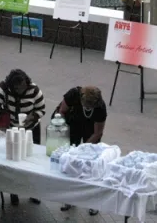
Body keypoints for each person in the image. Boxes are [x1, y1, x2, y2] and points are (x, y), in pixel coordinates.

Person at [0, 69, 45, 206]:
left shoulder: (34, 90)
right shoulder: (3, 88)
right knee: (13, 161)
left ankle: (34, 192)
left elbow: (41, 109)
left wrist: (32, 117)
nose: (21, 90)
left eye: (24, 86)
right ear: (12, 87)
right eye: (18, 88)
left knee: (32, 161)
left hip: (31, 130)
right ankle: (13, 191)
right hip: (12, 129)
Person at [58, 86, 107, 217]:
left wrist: (83, 148)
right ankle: (70, 199)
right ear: (81, 99)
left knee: (91, 167)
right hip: (72, 124)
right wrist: (63, 130)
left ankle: (93, 203)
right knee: (71, 165)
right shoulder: (73, 94)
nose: (88, 107)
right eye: (86, 105)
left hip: (91, 132)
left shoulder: (100, 108)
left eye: (91, 106)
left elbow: (98, 132)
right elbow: (62, 111)